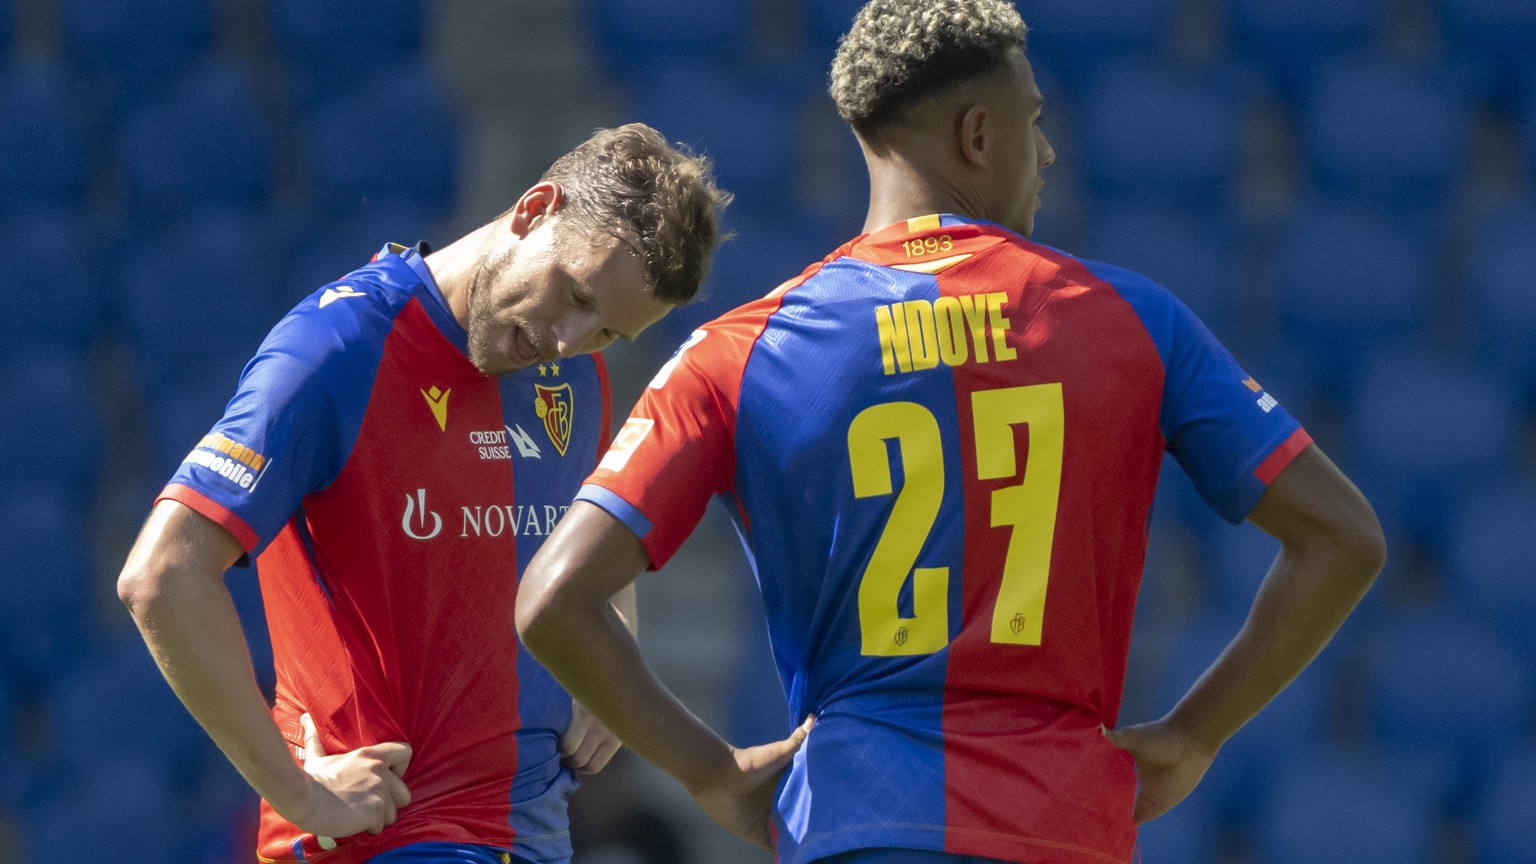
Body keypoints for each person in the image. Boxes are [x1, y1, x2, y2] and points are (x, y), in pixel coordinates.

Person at [515, 3, 1388, 864]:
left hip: (854, 823)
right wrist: (1197, 735)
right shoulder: (1134, 320)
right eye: (1034, 121)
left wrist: (710, 773)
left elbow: (555, 598)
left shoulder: (740, 349)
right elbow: (1342, 539)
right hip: (1065, 824)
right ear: (978, 135)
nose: (1044, 151)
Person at [116, 122, 728, 864]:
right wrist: (296, 793)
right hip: (385, 838)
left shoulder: (572, 372)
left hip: (536, 832)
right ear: (536, 209)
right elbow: (163, 575)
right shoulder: (338, 347)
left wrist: (608, 654)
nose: (570, 341)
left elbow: (583, 528)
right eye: (574, 295)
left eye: (607, 333)